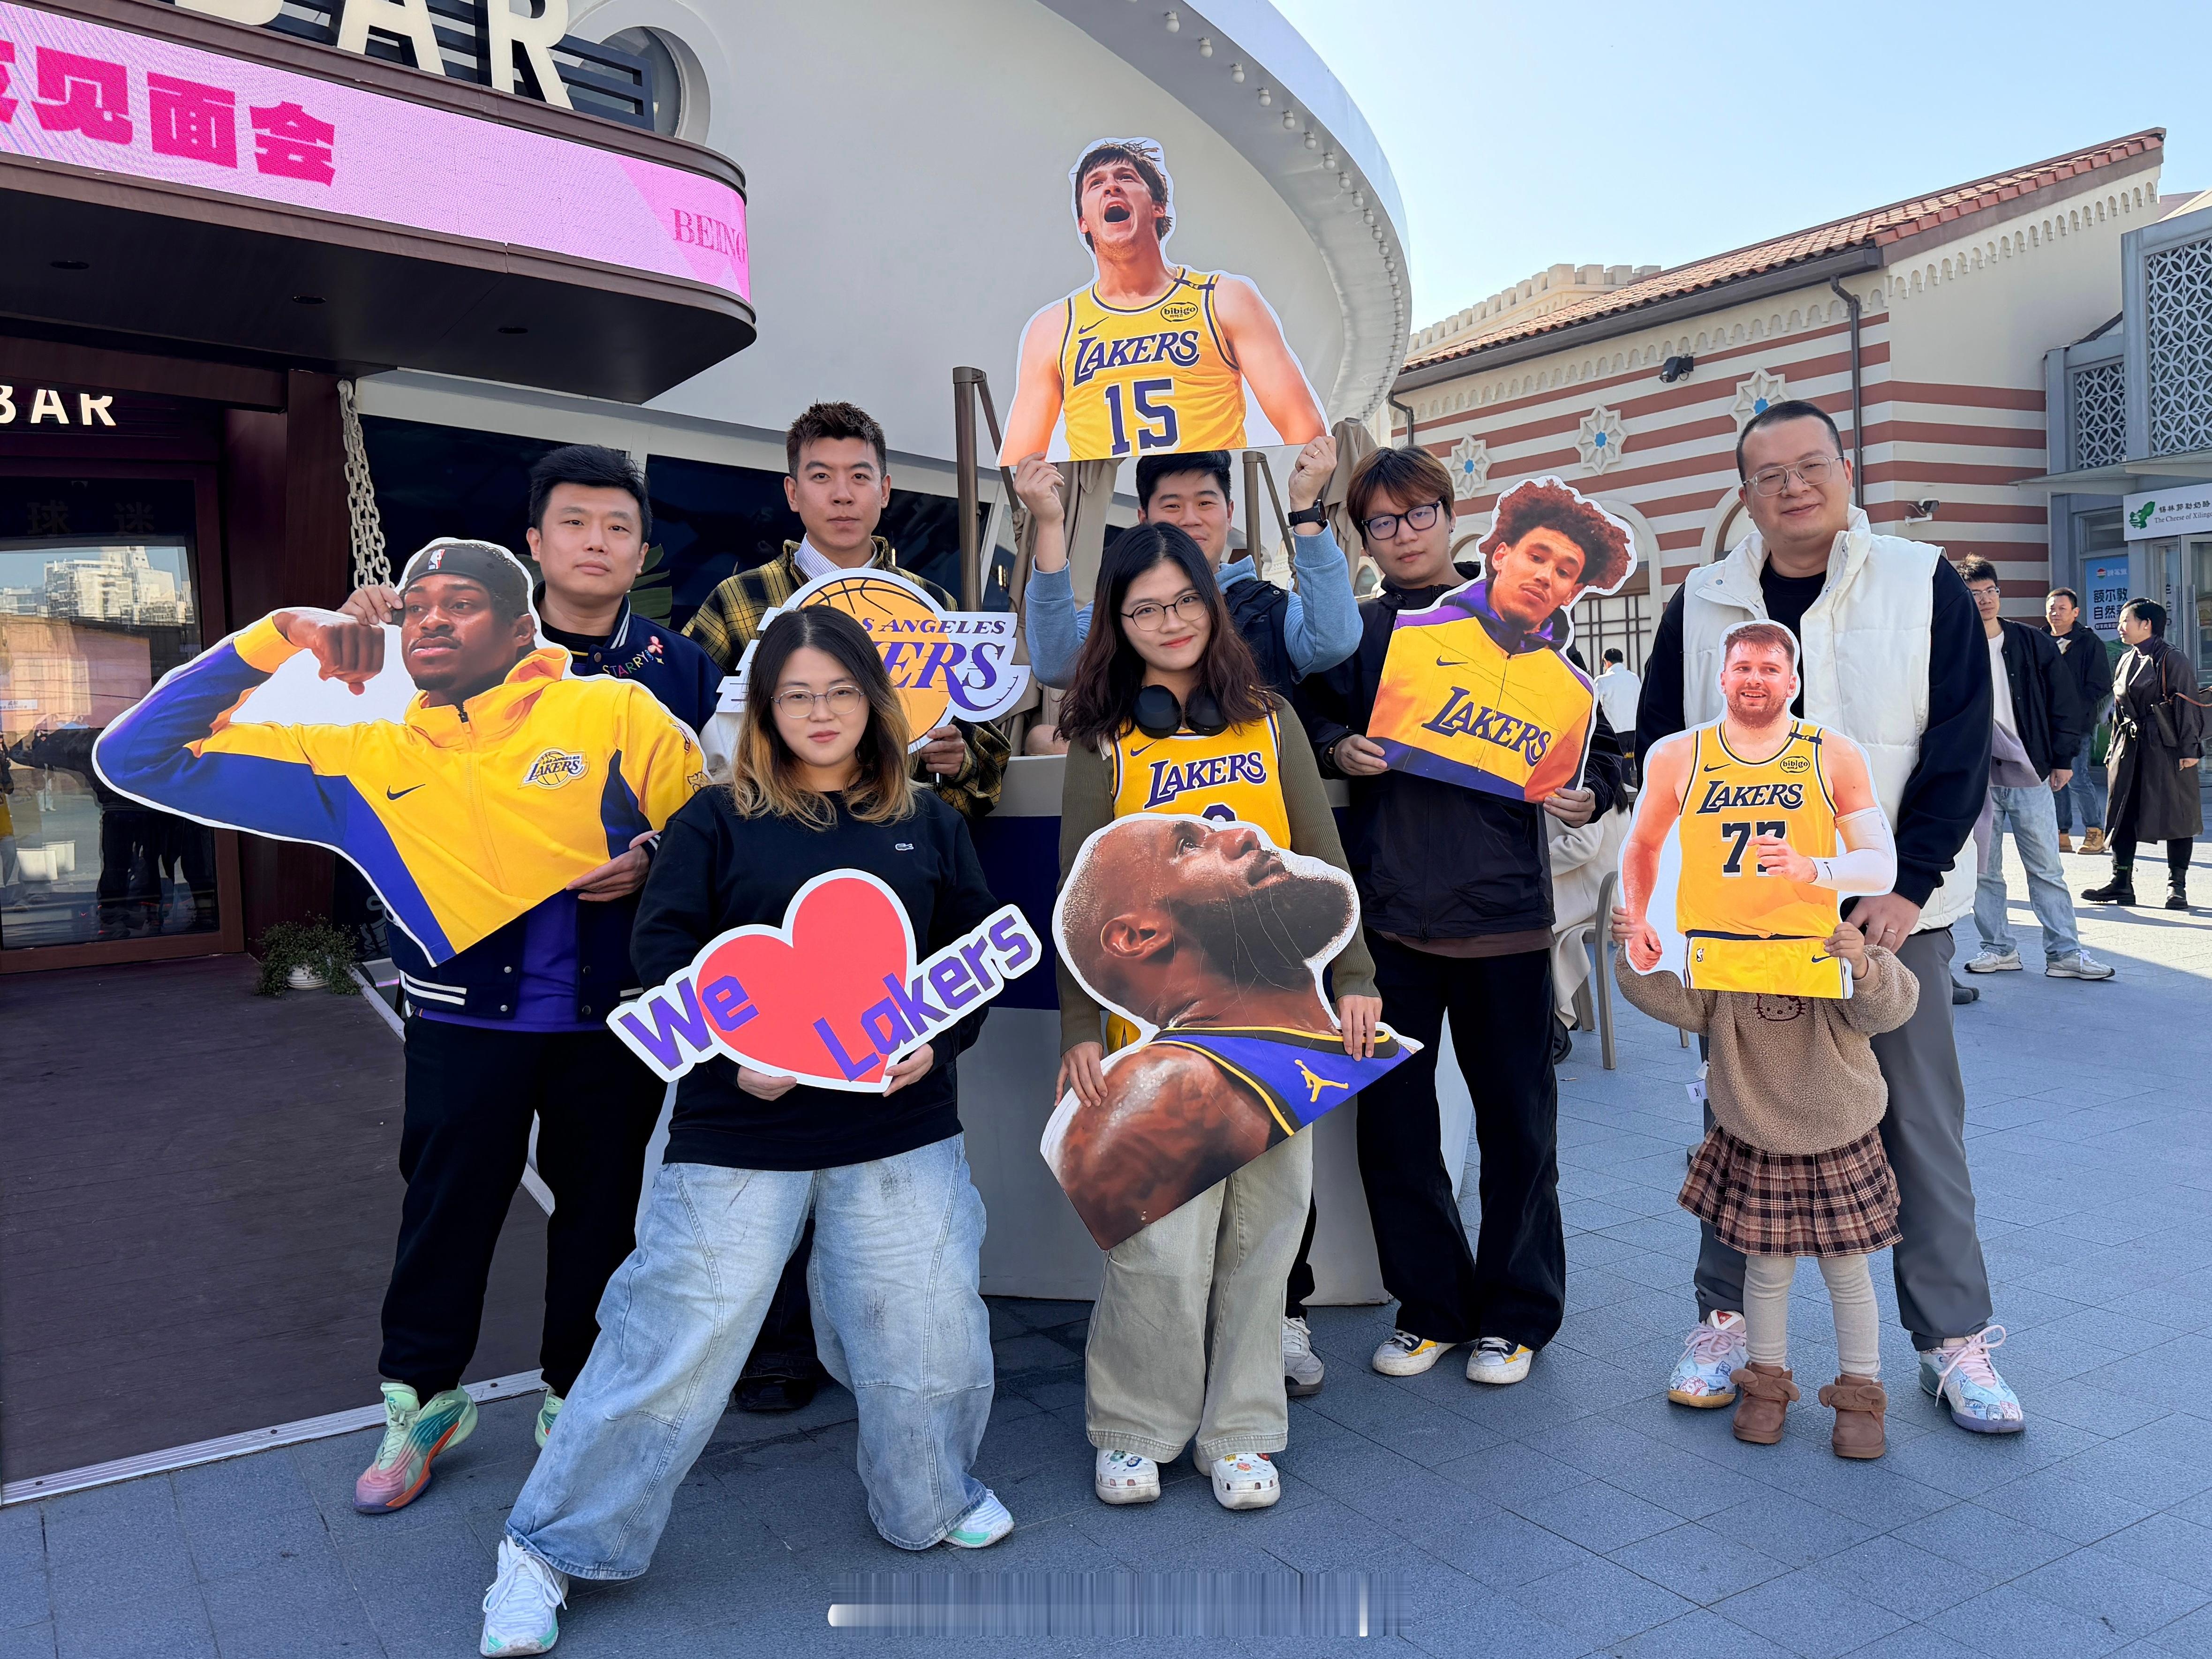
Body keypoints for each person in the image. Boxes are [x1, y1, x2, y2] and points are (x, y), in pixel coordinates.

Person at [95, 538, 708, 1508]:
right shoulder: (359, 751)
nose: (430, 619)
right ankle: (424, 1402)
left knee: (600, 1216)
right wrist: (280, 634)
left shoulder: (613, 709)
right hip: (463, 1029)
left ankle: (575, 1397)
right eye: (416, 605)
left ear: (522, 628)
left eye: (461, 602)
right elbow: (136, 756)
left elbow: (710, 838)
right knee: (442, 1217)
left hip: (609, 1027)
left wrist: (654, 854)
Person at [478, 607, 1012, 1658]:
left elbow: (971, 947)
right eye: (798, 693)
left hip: (899, 1120)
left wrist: (938, 1042)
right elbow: (664, 950)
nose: (822, 712)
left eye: (842, 691)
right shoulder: (715, 819)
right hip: (739, 1125)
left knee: (928, 1324)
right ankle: (546, 1547)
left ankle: (930, 1494)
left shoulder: (928, 817)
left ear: (875, 703)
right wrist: (731, 1054)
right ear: (764, 710)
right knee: (670, 1342)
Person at [1637, 399, 2024, 1436]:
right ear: (1745, 494)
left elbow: (1957, 744)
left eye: (1811, 465)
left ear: (1846, 472)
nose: (1793, 486)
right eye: (1769, 474)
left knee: (1919, 1124)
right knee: (1737, 1120)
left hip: (1891, 920)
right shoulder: (1701, 602)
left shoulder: (1919, 579)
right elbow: (1662, 751)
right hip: (1743, 927)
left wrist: (1907, 885)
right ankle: (1723, 1321)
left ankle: (1952, 1337)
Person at [1050, 522, 1382, 1514]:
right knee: (1156, 1240)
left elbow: (1321, 850)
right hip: (1149, 1033)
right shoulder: (1101, 739)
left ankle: (1241, 1430)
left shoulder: (1271, 720)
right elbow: (1073, 894)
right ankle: (1134, 1424)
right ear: (1117, 623)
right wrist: (1078, 1026)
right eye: (1144, 608)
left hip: (1279, 1023)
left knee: (1264, 1233)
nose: (1170, 622)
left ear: (1212, 601)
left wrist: (1356, 972)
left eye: (1184, 600)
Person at [685, 400, 1008, 1409]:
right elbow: (685, 738)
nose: (841, 492)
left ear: (885, 487)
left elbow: (987, 751)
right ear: (792, 491)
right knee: (775, 1117)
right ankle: (779, 1343)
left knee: (882, 1128)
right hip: (764, 896)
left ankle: (879, 1346)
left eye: (859, 474)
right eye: (820, 475)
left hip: (896, 897)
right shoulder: (738, 601)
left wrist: (957, 756)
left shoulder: (930, 604)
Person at [1302, 446, 1623, 1390]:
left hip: (1506, 920)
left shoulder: (1522, 616)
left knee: (1518, 1125)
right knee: (1394, 1128)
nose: (1402, 535)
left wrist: (1592, 791)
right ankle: (1431, 1305)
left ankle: (1516, 1312)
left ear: (1452, 516)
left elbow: (1601, 750)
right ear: (1364, 539)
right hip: (1389, 922)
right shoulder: (1357, 634)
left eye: (1418, 514)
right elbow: (1296, 718)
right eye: (1381, 522)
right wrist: (1337, 744)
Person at [1616, 913, 1919, 1459]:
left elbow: (1889, 1009)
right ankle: (1764, 1383)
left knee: (1847, 1274)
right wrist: (1637, 950)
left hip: (1837, 1132)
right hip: (1759, 1135)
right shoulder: (1726, 954)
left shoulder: (1829, 939)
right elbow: (1676, 1001)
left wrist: (1861, 963)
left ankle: (1860, 1394)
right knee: (1765, 1271)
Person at [1000, 137, 1325, 461]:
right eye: (1096, 183)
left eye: (1126, 177)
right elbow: (1020, 466)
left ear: (1158, 207)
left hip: (1206, 490)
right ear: (1083, 222)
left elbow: (1304, 430)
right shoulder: (1054, 328)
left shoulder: (1221, 299)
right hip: (1109, 494)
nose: (1111, 187)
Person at [1621, 623, 1890, 1002]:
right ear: (1722, 679)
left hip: (1807, 946)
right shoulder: (1678, 756)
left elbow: (1879, 867)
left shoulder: (1832, 753)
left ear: (1792, 684)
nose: (1754, 679)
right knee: (1719, 1045)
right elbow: (1644, 844)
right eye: (1742, 668)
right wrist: (1637, 919)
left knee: (1820, 1045)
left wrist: (1811, 868)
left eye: (1769, 669)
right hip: (1714, 947)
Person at [1016, 441, 1360, 694]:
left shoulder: (1272, 609)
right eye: (1172, 506)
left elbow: (1334, 641)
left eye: (1205, 503)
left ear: (1229, 513)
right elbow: (1057, 666)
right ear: (1143, 518)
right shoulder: (1118, 608)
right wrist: (1050, 523)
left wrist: (1304, 505)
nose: (1190, 519)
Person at [1955, 558, 2106, 980]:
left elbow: (2063, 700)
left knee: (2045, 867)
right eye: (1974, 594)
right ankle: (1998, 948)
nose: (1985, 600)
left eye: (1990, 591)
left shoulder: (2029, 641)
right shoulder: (1951, 644)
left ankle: (2065, 953)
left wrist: (2062, 758)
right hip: (1976, 776)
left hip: (2029, 770)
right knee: (1984, 871)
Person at [2083, 598, 2205, 911]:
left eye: (2126, 621)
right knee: (2122, 813)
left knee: (2178, 815)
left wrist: (2189, 749)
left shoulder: (2171, 658)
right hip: (2129, 745)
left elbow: (2187, 705)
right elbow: (2119, 708)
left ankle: (2176, 887)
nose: (2120, 627)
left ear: (2147, 624)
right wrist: (2113, 749)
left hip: (2165, 745)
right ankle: (2121, 882)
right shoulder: (2126, 659)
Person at [2045, 587, 2114, 853]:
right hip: (2046, 723)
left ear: (2075, 613)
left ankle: (2095, 831)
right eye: (2052, 608)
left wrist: (2074, 705)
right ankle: (2061, 833)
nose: (2056, 613)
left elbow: (2101, 684)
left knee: (2077, 777)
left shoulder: (2088, 642)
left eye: (2062, 609)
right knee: (2054, 779)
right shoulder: (2039, 639)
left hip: (2077, 723)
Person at [1593, 647, 1642, 778]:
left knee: (1616, 775)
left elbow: (1594, 705)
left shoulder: (1602, 680)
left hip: (1615, 734)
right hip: (1634, 733)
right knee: (1627, 771)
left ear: (1606, 662)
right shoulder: (1634, 678)